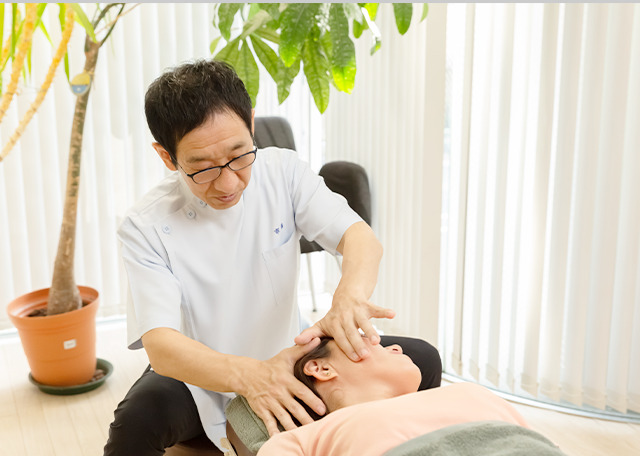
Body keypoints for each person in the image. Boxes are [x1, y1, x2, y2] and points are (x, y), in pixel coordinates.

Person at [104, 59, 442, 455]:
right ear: (167, 157)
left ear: (250, 122)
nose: (228, 182)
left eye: (238, 155)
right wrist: (251, 377)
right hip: (199, 371)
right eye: (202, 168)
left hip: (291, 354)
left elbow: (359, 238)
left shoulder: (282, 172)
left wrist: (348, 298)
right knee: (135, 424)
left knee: (423, 359)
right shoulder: (145, 225)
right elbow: (161, 345)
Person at [256, 337, 563, 456]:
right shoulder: (314, 434)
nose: (396, 347)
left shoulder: (469, 391)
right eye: (369, 342)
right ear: (321, 367)